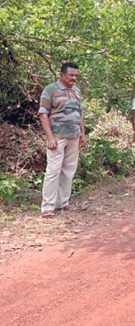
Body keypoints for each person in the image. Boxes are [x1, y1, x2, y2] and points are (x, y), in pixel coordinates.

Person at [39, 62, 85, 218]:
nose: (74, 78)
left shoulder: (77, 91)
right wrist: (50, 137)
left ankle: (62, 203)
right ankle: (48, 207)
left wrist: (82, 135)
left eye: (76, 75)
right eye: (71, 75)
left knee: (68, 171)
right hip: (57, 137)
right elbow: (43, 114)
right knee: (53, 171)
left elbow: (80, 114)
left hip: (74, 137)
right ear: (62, 75)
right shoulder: (50, 90)